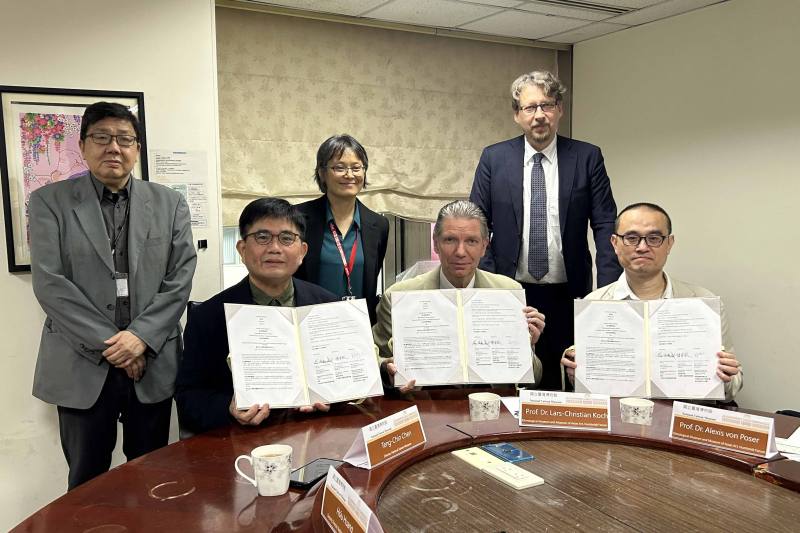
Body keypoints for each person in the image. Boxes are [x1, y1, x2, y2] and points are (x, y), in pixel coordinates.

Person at [29, 102, 197, 490]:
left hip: (152, 363)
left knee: (153, 477)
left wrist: (140, 338)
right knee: (87, 482)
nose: (114, 148)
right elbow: (51, 284)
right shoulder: (48, 202)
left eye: (124, 139)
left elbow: (180, 277)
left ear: (137, 148)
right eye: (102, 138)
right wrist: (117, 347)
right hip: (80, 366)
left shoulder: (170, 203)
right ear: (83, 146)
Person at [469, 70, 622, 390]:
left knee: (569, 378)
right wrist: (489, 286)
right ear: (517, 114)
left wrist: (607, 292)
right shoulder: (494, 158)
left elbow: (606, 224)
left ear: (560, 110)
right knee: (511, 378)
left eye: (547, 105)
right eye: (529, 107)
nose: (539, 115)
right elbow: (477, 225)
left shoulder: (586, 157)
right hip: (512, 293)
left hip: (571, 292)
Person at [176, 197, 338, 434]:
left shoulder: (328, 307)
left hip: (319, 434)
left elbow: (351, 384)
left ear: (302, 251)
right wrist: (228, 409)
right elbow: (188, 397)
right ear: (242, 249)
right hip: (243, 444)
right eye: (262, 237)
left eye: (286, 238)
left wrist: (337, 395)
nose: (274, 248)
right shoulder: (208, 316)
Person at [561, 202, 743, 402]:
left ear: (669, 244)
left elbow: (731, 389)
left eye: (654, 238)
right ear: (614, 243)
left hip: (684, 423)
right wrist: (574, 374)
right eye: (631, 238)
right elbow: (587, 389)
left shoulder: (702, 303)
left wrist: (726, 377)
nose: (642, 247)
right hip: (618, 424)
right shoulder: (594, 305)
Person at [373, 200, 544, 389]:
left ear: (484, 246)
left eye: (471, 241)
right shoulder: (399, 297)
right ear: (436, 245)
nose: (460, 252)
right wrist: (386, 370)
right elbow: (374, 362)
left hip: (493, 408)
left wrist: (527, 346)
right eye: (450, 240)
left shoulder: (508, 293)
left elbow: (533, 380)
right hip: (424, 404)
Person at [295, 134, 389, 325]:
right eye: (339, 167)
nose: (349, 175)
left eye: (356, 167)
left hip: (357, 327)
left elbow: (370, 283)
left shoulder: (378, 225)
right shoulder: (298, 219)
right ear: (322, 173)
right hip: (312, 325)